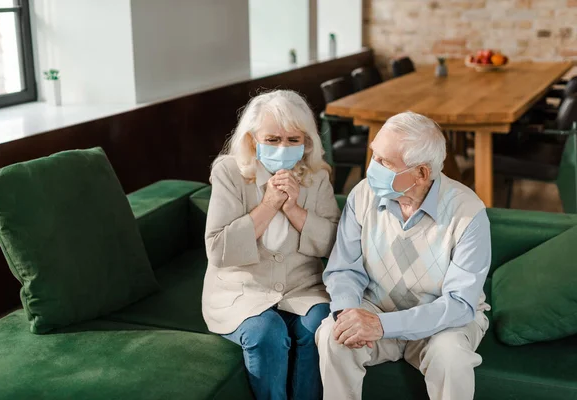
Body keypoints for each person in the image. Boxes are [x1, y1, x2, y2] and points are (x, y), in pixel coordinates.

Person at [316, 111, 491, 400]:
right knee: (332, 335)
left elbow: (459, 305)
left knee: (452, 358)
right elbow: (343, 270)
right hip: (377, 307)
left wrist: (383, 326)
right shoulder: (362, 195)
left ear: (421, 173)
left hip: (441, 323)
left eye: (384, 162)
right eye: (375, 156)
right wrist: (349, 314)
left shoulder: (468, 212)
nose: (373, 168)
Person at [202, 90, 340, 400]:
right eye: (273, 139)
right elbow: (218, 248)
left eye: (294, 140)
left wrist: (294, 209)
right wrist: (268, 204)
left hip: (302, 288)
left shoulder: (316, 177)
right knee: (268, 332)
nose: (283, 147)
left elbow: (335, 243)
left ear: (307, 142)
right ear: (253, 140)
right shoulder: (229, 172)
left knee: (322, 324)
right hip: (243, 291)